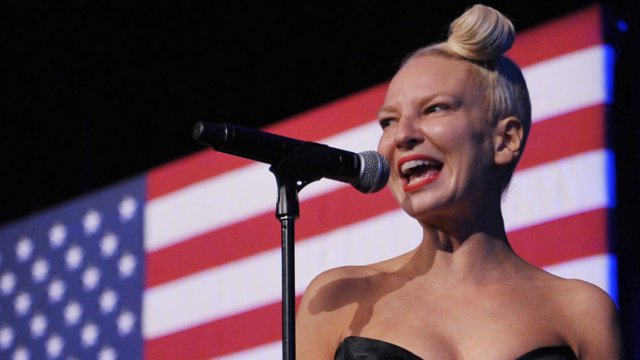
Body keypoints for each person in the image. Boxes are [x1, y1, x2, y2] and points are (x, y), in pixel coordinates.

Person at [296, 4, 622, 359]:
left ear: (505, 140)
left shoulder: (582, 312)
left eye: (435, 108)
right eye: (388, 121)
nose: (402, 135)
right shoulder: (341, 299)